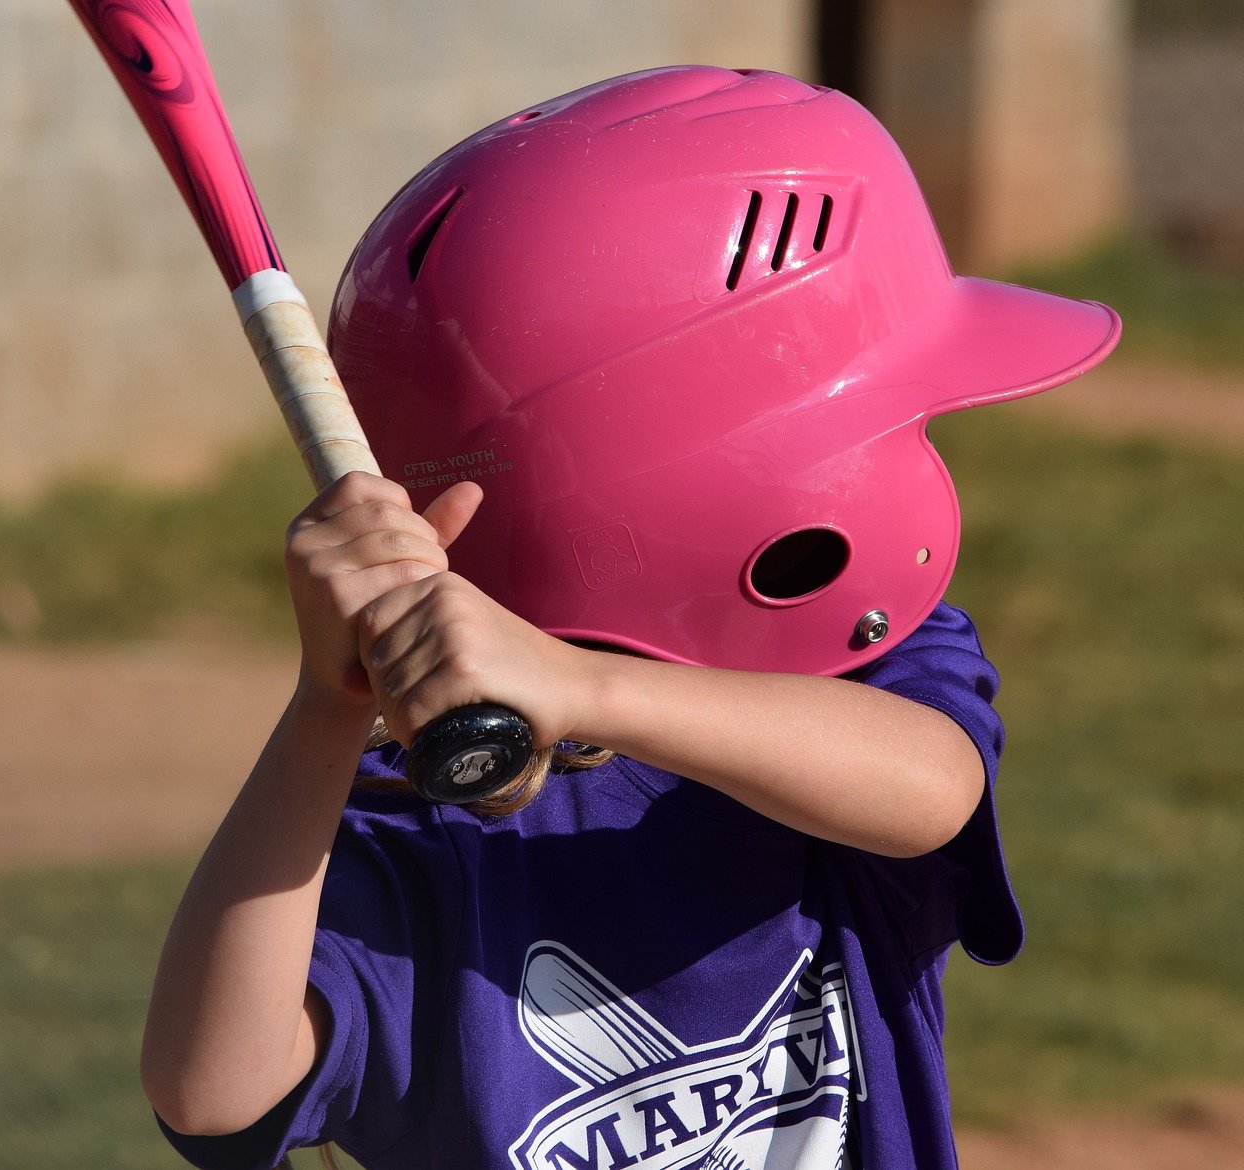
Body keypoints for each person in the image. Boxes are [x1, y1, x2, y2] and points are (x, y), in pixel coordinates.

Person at [141, 66, 1120, 1169]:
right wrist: (328, 709)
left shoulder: (852, 700)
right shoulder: (424, 837)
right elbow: (210, 1089)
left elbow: (930, 791)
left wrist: (586, 686)